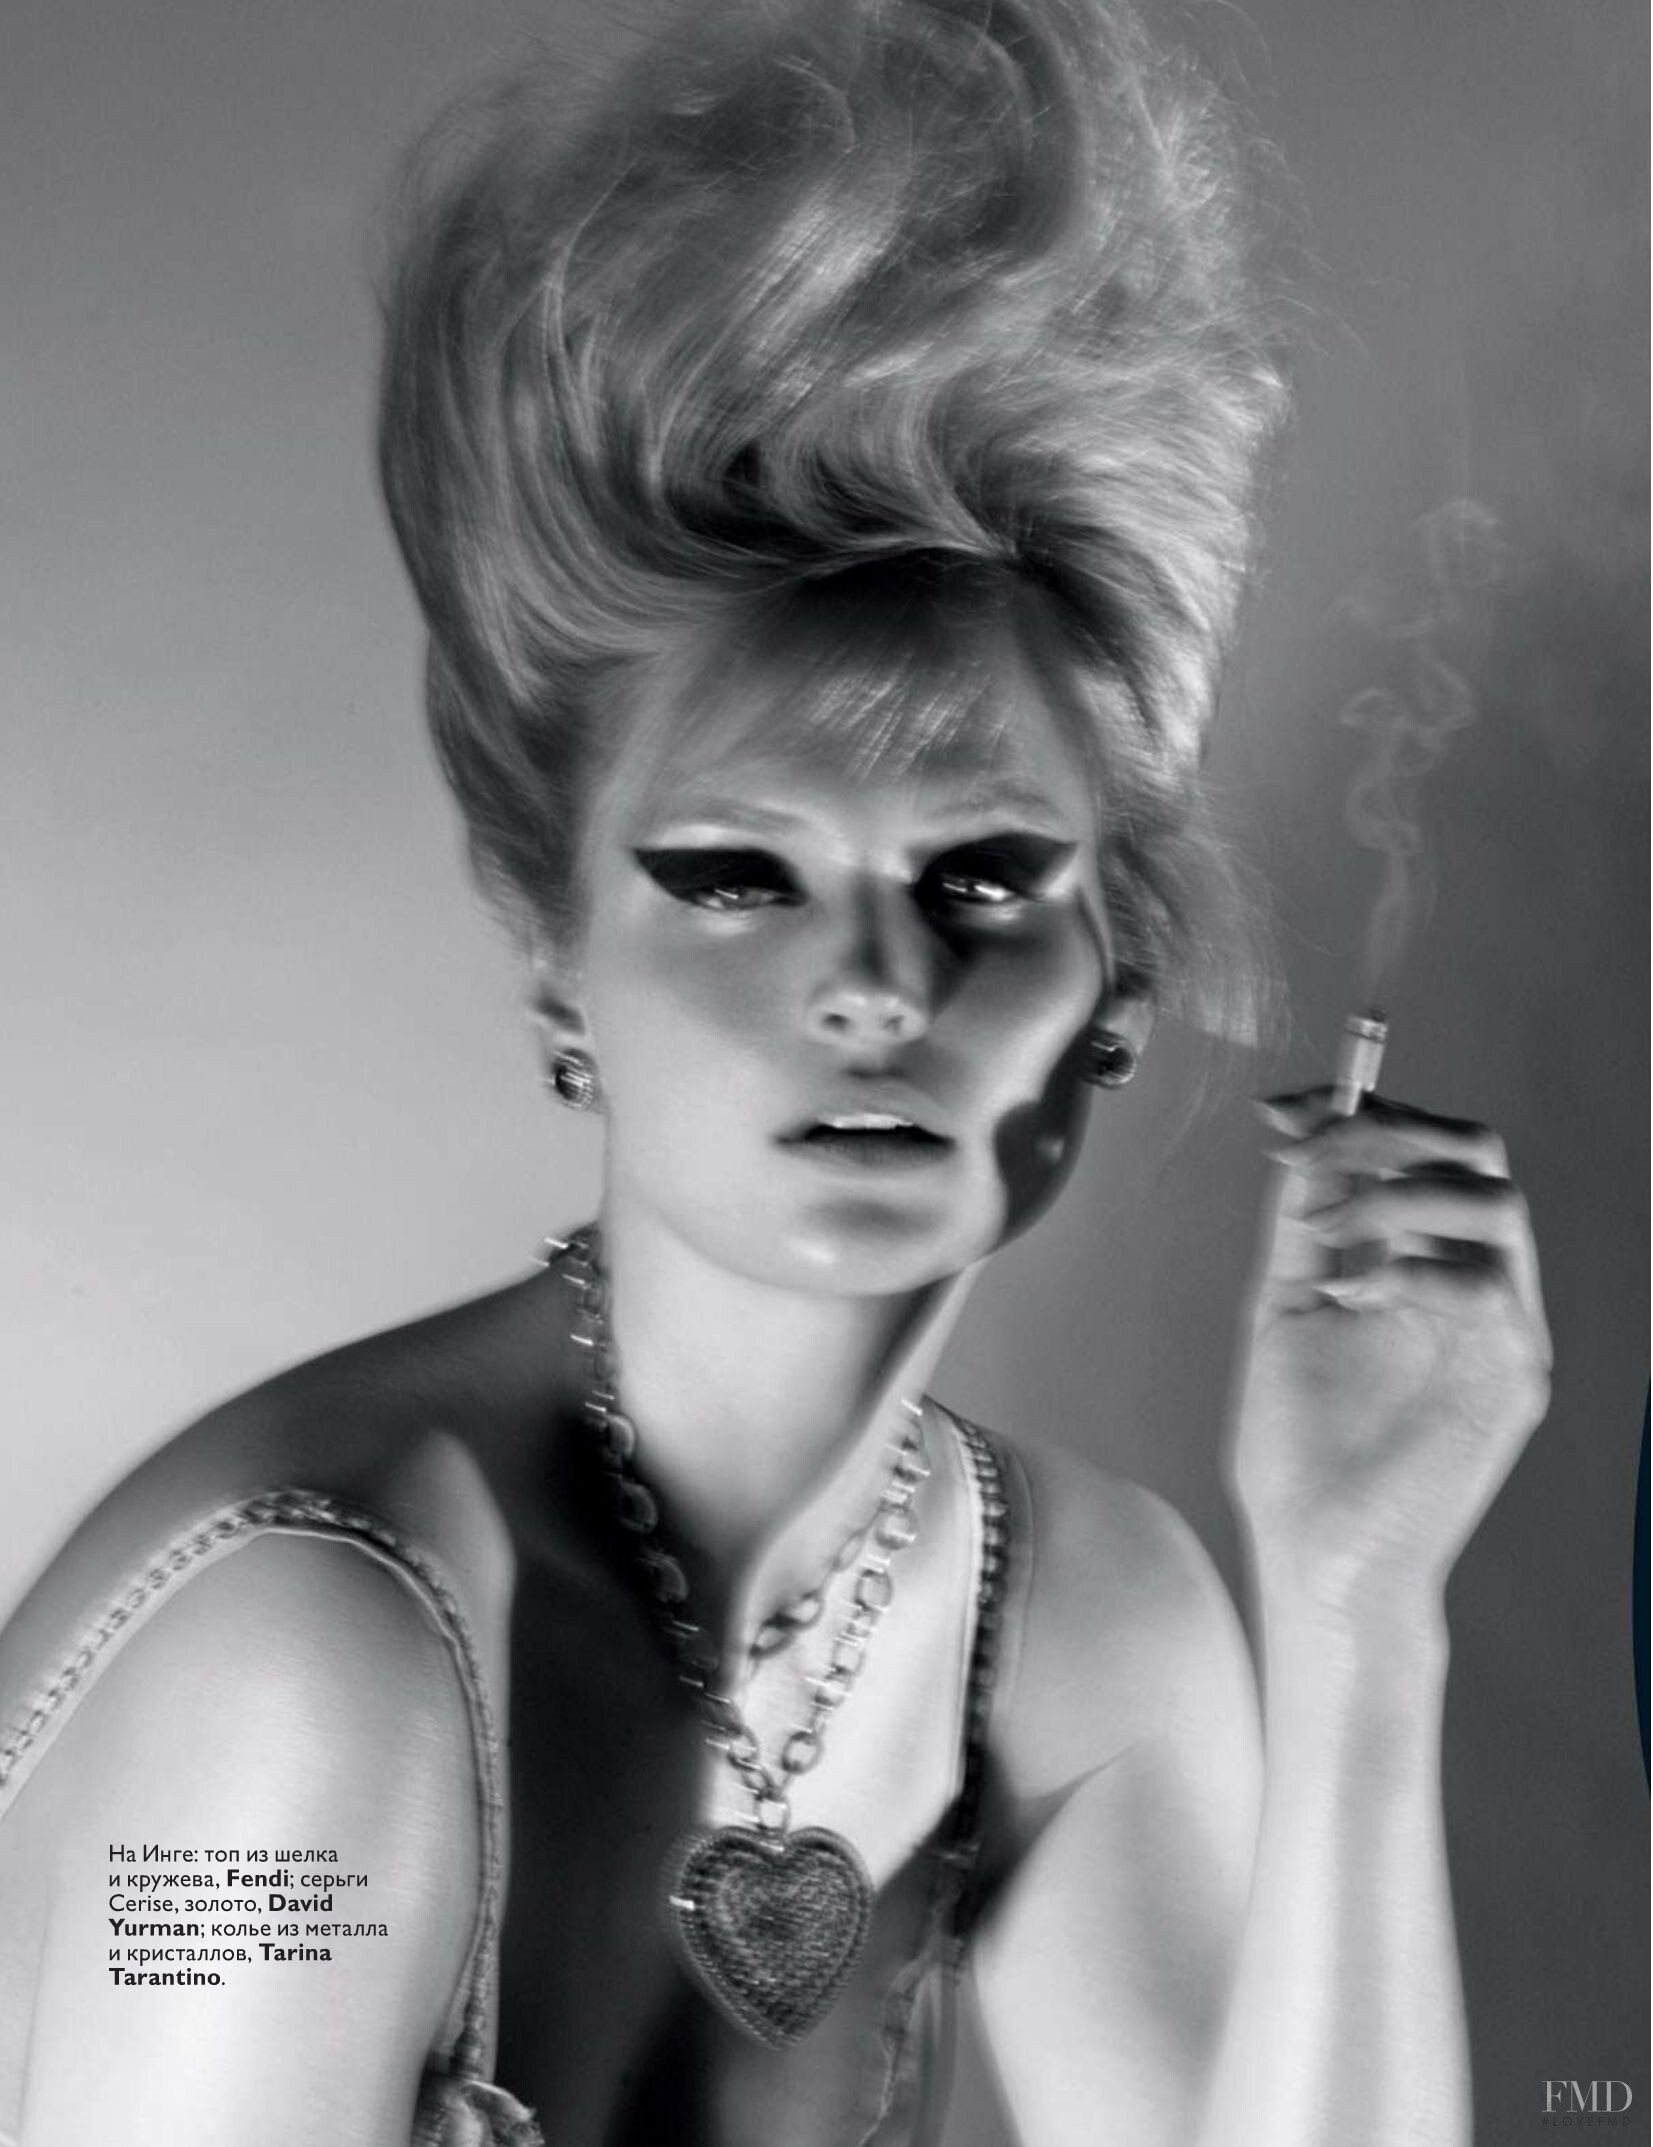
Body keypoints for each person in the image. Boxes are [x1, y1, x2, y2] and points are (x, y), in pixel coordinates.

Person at [0, 0, 1552, 2142]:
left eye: (981, 878)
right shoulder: (303, 1646)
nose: (873, 984)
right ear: (556, 956)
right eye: (736, 877)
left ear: (1120, 974)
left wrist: (1362, 1601)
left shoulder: (1071, 1616)